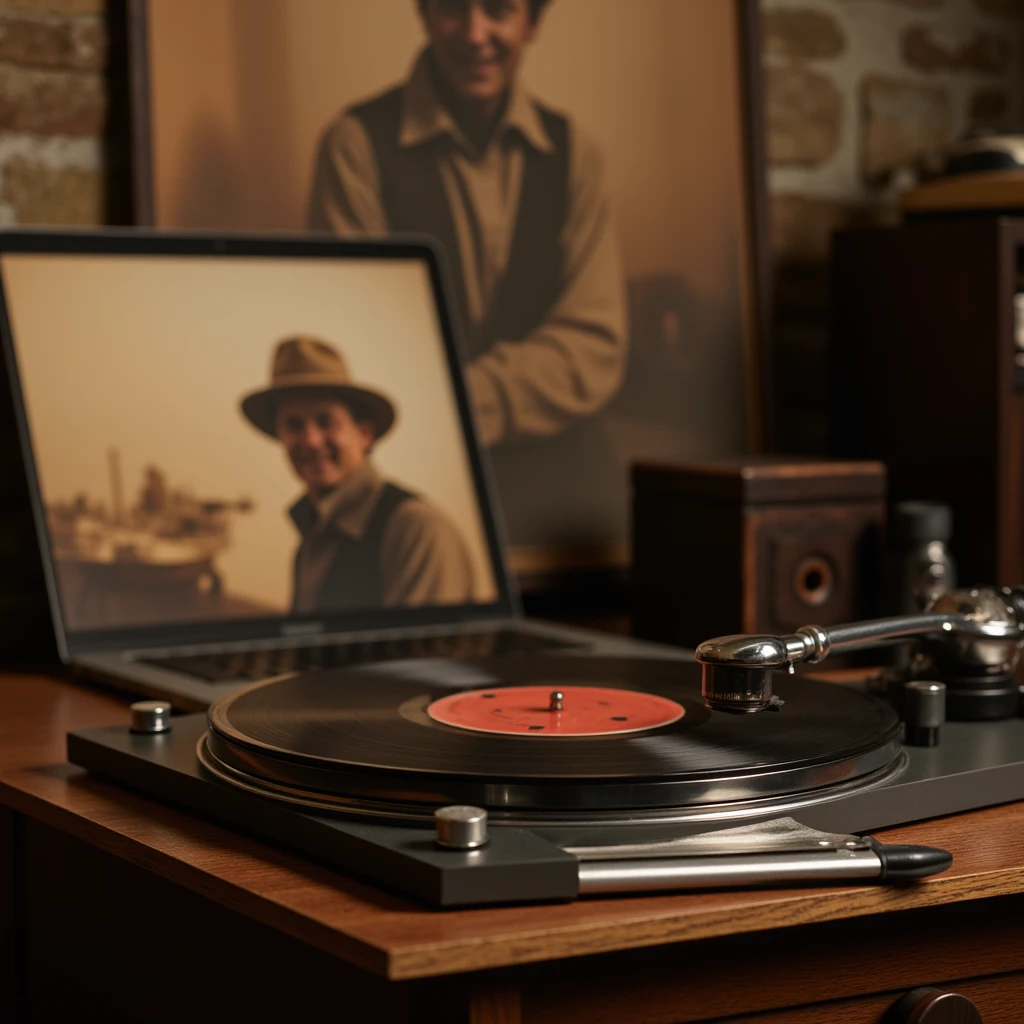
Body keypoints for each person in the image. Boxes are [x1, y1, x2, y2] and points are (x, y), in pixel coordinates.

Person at [308, 0, 628, 545]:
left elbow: (594, 346)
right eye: (454, 8)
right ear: (425, 14)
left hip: (563, 499)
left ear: (532, 23)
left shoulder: (576, 153)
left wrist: (459, 400)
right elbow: (360, 345)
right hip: (415, 487)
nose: (476, 33)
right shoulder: (354, 145)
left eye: (498, 9)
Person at [240, 335, 474, 612]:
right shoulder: (312, 535)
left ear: (364, 433)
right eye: (294, 425)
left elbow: (423, 650)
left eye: (325, 421)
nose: (311, 440)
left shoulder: (417, 530)